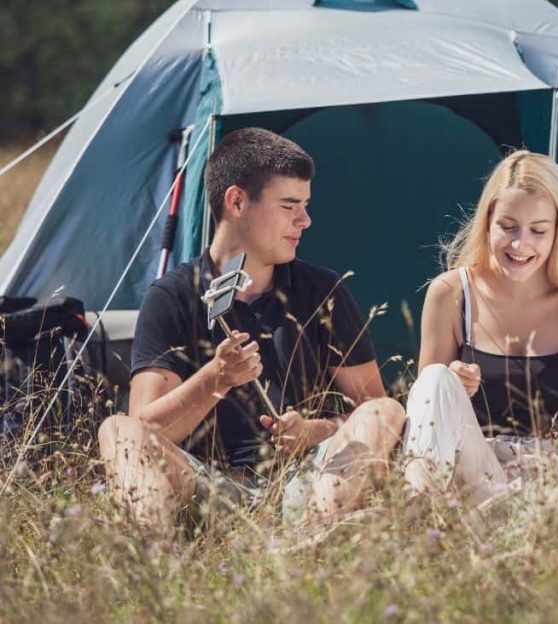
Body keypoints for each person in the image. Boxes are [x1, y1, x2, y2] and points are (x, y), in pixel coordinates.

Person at [97, 128, 405, 531]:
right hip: (209, 491)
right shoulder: (171, 296)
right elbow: (147, 429)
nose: (305, 220)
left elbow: (373, 412)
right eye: (289, 206)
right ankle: (155, 562)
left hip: (308, 484)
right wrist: (216, 379)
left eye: (306, 205)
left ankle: (312, 541)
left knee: (388, 410)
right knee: (118, 429)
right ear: (237, 201)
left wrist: (316, 430)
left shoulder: (322, 289)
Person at [402, 151, 558, 506]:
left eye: (538, 231)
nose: (520, 244)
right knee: (435, 379)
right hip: (477, 471)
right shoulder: (449, 293)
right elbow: (427, 414)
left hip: (557, 475)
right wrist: (453, 382)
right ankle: (420, 516)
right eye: (508, 226)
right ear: (487, 223)